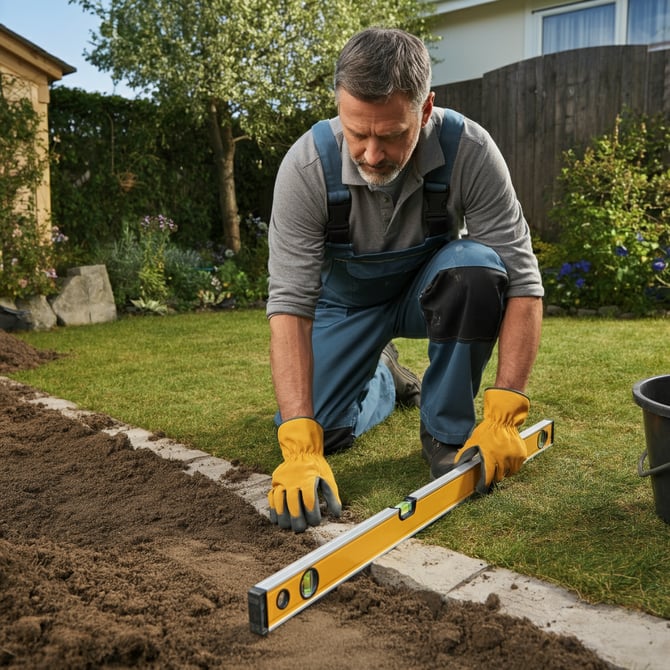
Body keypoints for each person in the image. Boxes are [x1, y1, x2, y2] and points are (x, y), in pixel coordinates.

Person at [266, 27, 544, 533]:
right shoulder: (306, 168)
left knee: (479, 269)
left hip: (429, 293)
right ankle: (385, 379)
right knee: (325, 430)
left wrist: (505, 414)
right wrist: (300, 445)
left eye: (391, 135)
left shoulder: (470, 151)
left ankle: (445, 432)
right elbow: (290, 307)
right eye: (357, 134)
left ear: (425, 109)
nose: (372, 154)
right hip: (345, 306)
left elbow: (523, 283)